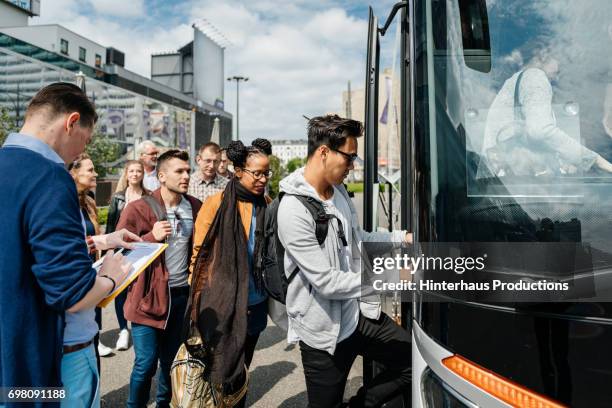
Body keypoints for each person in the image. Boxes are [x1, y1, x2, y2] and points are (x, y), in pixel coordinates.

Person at [0, 82, 137, 406]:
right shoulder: (49, 175)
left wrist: (99, 240)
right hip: (49, 361)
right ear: (71, 122)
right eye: (85, 141)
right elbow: (71, 294)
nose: (79, 153)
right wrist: (110, 278)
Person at [277, 115, 412, 408]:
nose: (352, 166)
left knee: (412, 362)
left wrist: (402, 238)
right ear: (324, 152)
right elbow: (326, 282)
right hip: (323, 332)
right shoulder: (292, 209)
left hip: (357, 314)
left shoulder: (337, 191)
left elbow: (358, 237)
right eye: (349, 157)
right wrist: (391, 279)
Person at [190, 139, 272, 406]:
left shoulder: (267, 203)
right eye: (256, 173)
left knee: (243, 366)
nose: (262, 179)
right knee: (220, 369)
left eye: (266, 172)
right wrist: (199, 301)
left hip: (255, 301)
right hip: (223, 301)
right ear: (238, 171)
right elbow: (199, 255)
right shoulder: (216, 204)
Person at [117, 150, 201, 408]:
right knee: (145, 364)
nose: (186, 175)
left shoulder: (195, 206)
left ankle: (163, 404)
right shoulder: (138, 208)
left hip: (180, 297)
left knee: (171, 363)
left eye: (188, 171)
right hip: (147, 299)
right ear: (162, 176)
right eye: (179, 171)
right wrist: (150, 237)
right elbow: (118, 254)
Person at [481, 49, 612, 177]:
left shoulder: (515, 82)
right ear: (543, 55)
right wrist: (594, 160)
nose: (557, 77)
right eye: (558, 68)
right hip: (514, 182)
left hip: (502, 179)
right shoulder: (535, 76)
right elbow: (540, 131)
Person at [106, 160, 151, 351]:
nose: (135, 174)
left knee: (142, 288)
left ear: (143, 174)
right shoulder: (118, 198)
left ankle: (140, 325)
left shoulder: (149, 197)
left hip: (143, 247)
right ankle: (123, 329)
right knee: (121, 290)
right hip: (120, 249)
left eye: (138, 171)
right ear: (126, 173)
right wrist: (108, 249)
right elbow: (110, 226)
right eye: (131, 171)